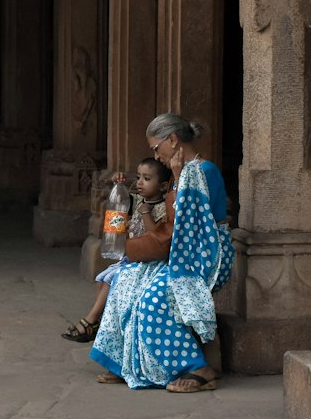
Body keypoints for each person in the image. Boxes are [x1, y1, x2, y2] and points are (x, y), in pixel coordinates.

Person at [90, 112, 236, 393]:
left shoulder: (204, 170)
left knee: (152, 299)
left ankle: (198, 368)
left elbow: (187, 223)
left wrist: (179, 176)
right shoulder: (179, 172)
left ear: (172, 139)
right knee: (125, 281)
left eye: (156, 148)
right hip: (180, 252)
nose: (156, 156)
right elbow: (165, 217)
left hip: (205, 255)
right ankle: (124, 362)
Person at [60, 158, 173, 343]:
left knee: (111, 280)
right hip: (133, 258)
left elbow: (157, 238)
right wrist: (118, 184)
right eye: (138, 177)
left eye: (146, 178)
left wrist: (145, 213)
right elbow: (122, 202)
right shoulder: (138, 200)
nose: (140, 183)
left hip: (150, 262)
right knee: (101, 280)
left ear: (162, 187)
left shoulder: (163, 208)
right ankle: (101, 325)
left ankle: (90, 323)